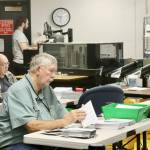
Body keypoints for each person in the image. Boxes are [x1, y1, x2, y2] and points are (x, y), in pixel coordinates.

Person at [0, 53, 86, 150]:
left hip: (42, 140)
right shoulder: (19, 90)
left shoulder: (46, 89)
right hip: (17, 143)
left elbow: (62, 114)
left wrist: (77, 116)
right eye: (51, 71)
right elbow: (32, 127)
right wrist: (65, 121)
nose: (54, 76)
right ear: (38, 70)